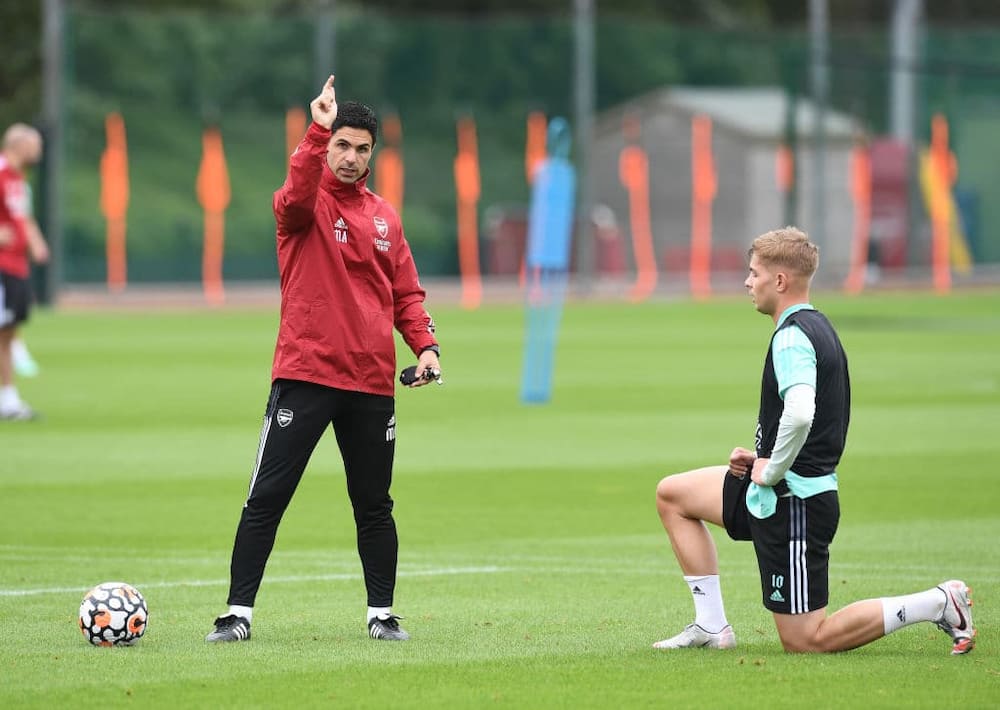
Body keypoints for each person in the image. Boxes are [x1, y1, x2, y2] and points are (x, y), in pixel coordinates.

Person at [653, 226, 976, 655]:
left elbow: (802, 412)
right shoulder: (816, 325)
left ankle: (938, 602)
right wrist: (763, 455)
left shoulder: (791, 337)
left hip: (795, 503)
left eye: (754, 274)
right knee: (673, 496)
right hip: (775, 488)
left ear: (780, 281)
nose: (748, 283)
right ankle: (712, 628)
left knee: (807, 641)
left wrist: (772, 466)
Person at [205, 76, 441, 644]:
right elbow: (294, 189)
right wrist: (315, 127)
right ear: (326, 144)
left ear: (372, 154)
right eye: (342, 145)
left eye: (362, 148)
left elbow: (405, 294)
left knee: (374, 506)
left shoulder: (386, 218)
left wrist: (426, 348)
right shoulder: (302, 206)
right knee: (267, 496)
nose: (352, 157)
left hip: (370, 383)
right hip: (305, 375)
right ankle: (237, 614)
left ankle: (381, 615)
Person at [0, 123, 49, 420]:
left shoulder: (18, 179)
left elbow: (23, 217)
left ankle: (8, 400)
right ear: (19, 145)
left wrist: (35, 242)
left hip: (15, 265)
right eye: (36, 146)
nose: (39, 152)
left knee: (7, 333)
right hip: (1, 265)